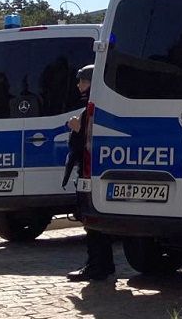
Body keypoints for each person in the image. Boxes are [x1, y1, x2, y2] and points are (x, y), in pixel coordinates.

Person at [65, 65, 116, 282]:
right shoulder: (89, 108)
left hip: (91, 173)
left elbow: (87, 143)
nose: (79, 85)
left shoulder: (93, 109)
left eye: (83, 81)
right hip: (88, 172)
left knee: (92, 222)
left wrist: (77, 128)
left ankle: (97, 265)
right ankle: (100, 264)